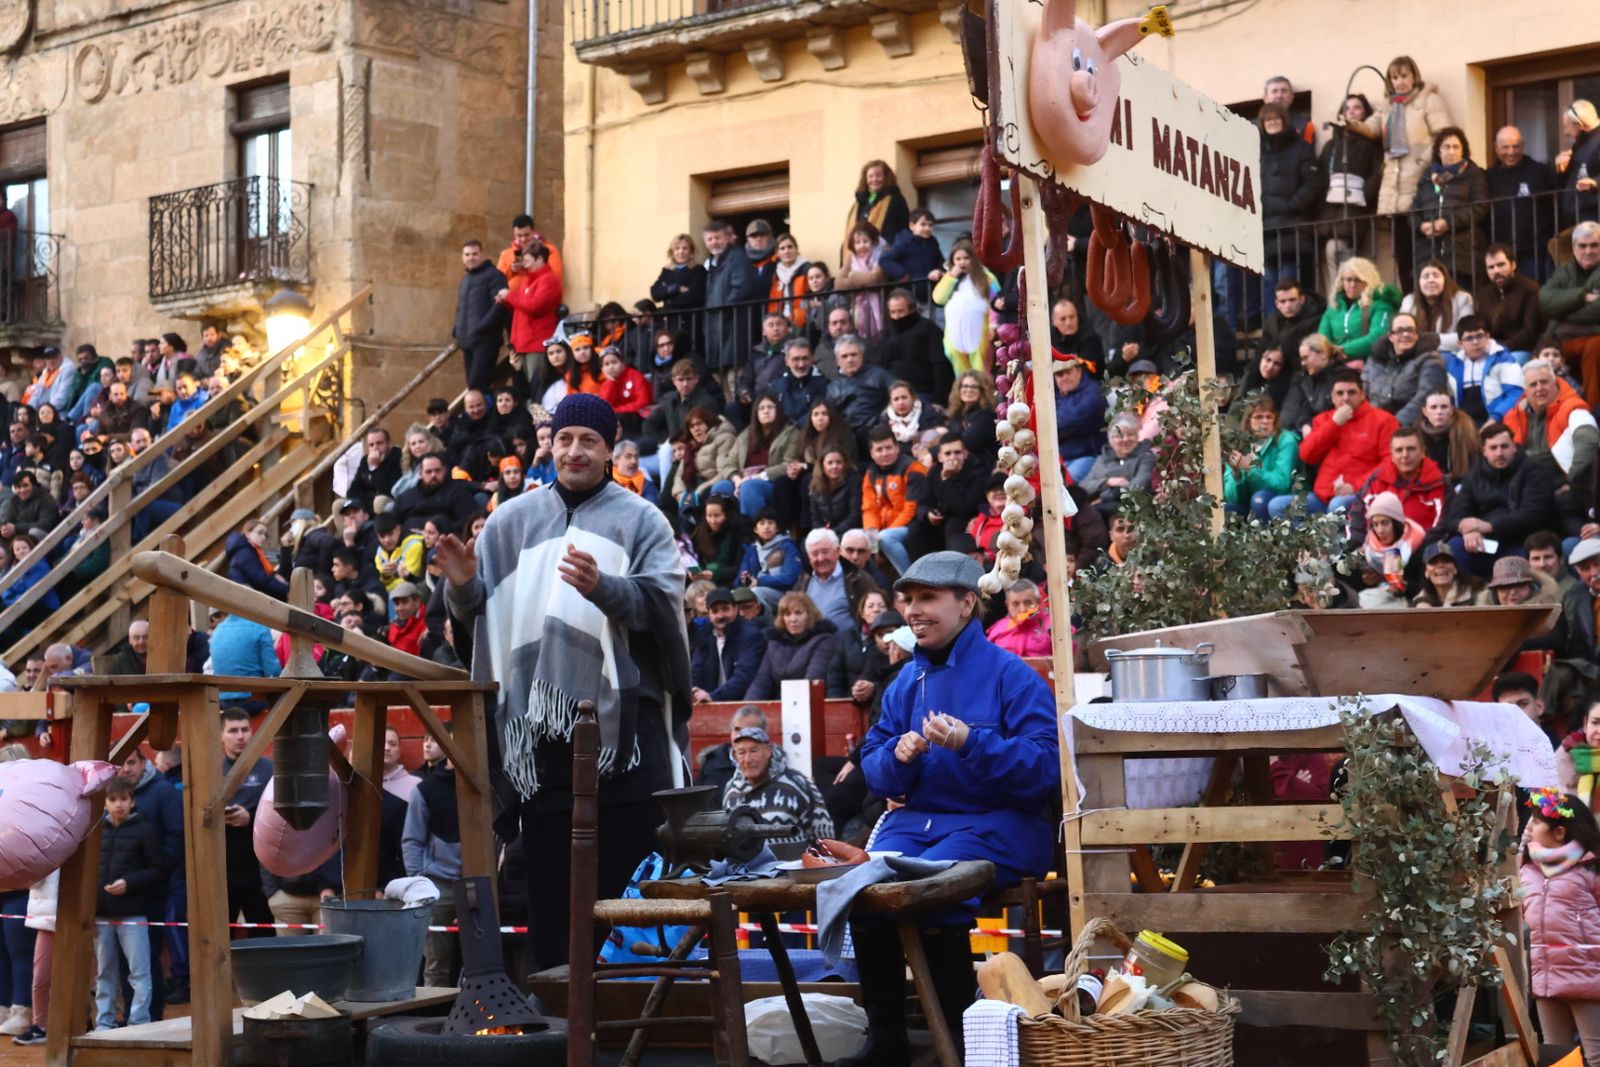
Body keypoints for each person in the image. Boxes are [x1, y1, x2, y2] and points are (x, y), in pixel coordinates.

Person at [438, 393, 692, 973]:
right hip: (540, 744)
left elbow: (663, 607)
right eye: (564, 439)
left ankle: (636, 1004)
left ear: (609, 450)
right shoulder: (509, 522)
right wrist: (461, 588)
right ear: (549, 445)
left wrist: (606, 588)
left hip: (625, 740)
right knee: (552, 898)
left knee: (631, 890)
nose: (575, 451)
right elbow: (483, 621)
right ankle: (558, 1012)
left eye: (589, 441)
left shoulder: (642, 519)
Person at [847, 552, 1059, 1065]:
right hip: (920, 824)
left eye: (928, 598)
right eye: (909, 599)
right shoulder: (905, 682)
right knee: (861, 887)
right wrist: (896, 758)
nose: (913, 610)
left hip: (1002, 825)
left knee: (931, 887)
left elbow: (1046, 769)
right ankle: (888, 1041)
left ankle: (964, 1046)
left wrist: (972, 743)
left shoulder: (1013, 676)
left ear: (966, 604)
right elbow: (874, 766)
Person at [1350, 55, 1453, 285]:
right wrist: (1350, 124)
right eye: (1395, 77)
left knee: (1423, 251)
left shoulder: (1429, 100)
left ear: (1414, 76)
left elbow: (1442, 135)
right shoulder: (1387, 105)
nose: (1400, 82)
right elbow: (1370, 128)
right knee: (1402, 253)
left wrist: (1422, 161)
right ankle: (1409, 296)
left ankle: (1425, 294)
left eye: (1404, 76)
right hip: (1394, 188)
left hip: (1419, 182)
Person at [1519, 789, 1600, 1063]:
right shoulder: (1527, 870)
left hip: (1589, 978)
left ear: (1560, 832)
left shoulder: (1591, 867)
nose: (1530, 826)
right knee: (1557, 1057)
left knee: (1596, 1056)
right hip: (1546, 978)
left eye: (1536, 821)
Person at [1428, 422, 1556, 577]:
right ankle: (1468, 591)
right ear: (1484, 451)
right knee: (1454, 547)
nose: (1499, 453)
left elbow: (1533, 515)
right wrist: (1466, 529)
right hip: (1484, 544)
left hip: (1522, 543)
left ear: (1514, 447)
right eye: (1493, 448)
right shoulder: (1473, 475)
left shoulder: (1534, 471)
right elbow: (1454, 516)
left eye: (1504, 446)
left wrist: (1489, 526)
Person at [93, 776, 161, 1032]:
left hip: (133, 913)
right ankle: (104, 1022)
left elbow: (158, 869)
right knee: (104, 972)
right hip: (101, 914)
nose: (119, 804)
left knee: (139, 972)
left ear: (132, 801)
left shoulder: (145, 830)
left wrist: (129, 883)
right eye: (113, 800)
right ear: (105, 803)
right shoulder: (96, 831)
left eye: (123, 799)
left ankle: (139, 1021)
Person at [1289, 370, 1399, 516]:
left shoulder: (1384, 420)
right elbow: (1307, 455)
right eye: (1340, 393)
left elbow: (1390, 463)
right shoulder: (1324, 420)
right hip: (1323, 495)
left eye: (1351, 392)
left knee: (1337, 506)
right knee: (1277, 506)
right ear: (1332, 397)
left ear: (1362, 395)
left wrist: (1356, 486)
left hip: (1361, 493)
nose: (1345, 398)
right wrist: (1334, 424)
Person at [721, 725, 833, 849]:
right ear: (735, 756)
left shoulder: (798, 783)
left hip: (796, 862)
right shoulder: (731, 790)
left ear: (768, 751)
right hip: (747, 862)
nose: (747, 759)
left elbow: (824, 837)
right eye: (741, 753)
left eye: (753, 751)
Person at [1504, 357, 1599, 501]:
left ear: (1555, 383)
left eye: (1544, 382)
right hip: (1523, 490)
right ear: (1525, 391)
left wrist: (1573, 483)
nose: (1539, 388)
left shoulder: (1572, 408)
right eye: (1533, 384)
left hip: (1563, 490)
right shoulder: (1512, 417)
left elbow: (1589, 441)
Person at [1317, 93, 1386, 281]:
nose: (1352, 112)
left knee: (1344, 256)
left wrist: (1360, 194)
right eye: (1347, 108)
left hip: (1357, 211)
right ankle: (1338, 296)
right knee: (1335, 256)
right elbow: (1321, 177)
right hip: (1331, 213)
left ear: (1365, 113)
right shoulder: (1331, 146)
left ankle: (1341, 296)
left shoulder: (1372, 146)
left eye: (1357, 107)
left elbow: (1378, 174)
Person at [1410, 127, 1489, 289]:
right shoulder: (1427, 177)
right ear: (1438, 151)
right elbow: (1414, 210)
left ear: (1463, 151)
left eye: (1456, 147)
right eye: (1446, 147)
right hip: (1428, 254)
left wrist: (1448, 223)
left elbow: (1480, 207)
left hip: (1461, 255)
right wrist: (1421, 226)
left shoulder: (1473, 174)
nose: (1451, 152)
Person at [1257, 102, 1322, 296]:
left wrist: (1293, 205)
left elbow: (1313, 181)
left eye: (1276, 118)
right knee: (1269, 285)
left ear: (1284, 121)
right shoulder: (1257, 151)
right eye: (1268, 119)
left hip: (1292, 228)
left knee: (1290, 283)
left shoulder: (1301, 147)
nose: (1272, 122)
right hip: (1265, 229)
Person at [1487, 127, 1559, 282]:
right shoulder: (1489, 177)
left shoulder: (1540, 171)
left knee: (1534, 291)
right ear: (1496, 148)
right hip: (1501, 253)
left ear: (1523, 146)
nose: (1511, 152)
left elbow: (1554, 206)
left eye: (1516, 146)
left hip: (1535, 250)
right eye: (1505, 147)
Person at [1540, 222, 1600, 406]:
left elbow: (1597, 309)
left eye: (1594, 245)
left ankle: (1593, 409)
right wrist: (1582, 296)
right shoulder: (1565, 271)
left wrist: (1562, 310)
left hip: (1594, 336)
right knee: (1542, 356)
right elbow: (1545, 300)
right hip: (1561, 339)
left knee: (1595, 348)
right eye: (1583, 246)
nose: (1588, 251)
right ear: (1574, 248)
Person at [860, 425, 928, 578]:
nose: (885, 453)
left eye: (888, 448)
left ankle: (910, 580)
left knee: (886, 538)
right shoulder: (870, 474)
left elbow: (910, 510)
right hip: (883, 530)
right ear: (872, 453)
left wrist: (880, 537)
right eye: (879, 449)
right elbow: (869, 509)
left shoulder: (913, 469)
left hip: (912, 527)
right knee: (854, 539)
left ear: (897, 448)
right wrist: (873, 542)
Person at [702, 219, 763, 389]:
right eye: (710, 239)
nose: (714, 242)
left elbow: (742, 288)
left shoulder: (737, 258)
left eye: (718, 238)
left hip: (733, 326)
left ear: (728, 238)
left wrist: (723, 309)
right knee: (720, 385)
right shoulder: (711, 264)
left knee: (734, 381)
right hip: (717, 329)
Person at [744, 591, 837, 700]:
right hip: (777, 703)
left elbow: (813, 679)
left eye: (798, 613)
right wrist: (748, 706)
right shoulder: (774, 642)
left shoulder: (824, 641)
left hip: (806, 703)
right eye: (787, 614)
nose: (793, 619)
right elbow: (761, 681)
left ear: (810, 615)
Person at [1224, 396, 1302, 521]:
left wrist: (1250, 469)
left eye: (1269, 417)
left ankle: (1265, 534)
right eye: (1259, 417)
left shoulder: (1286, 440)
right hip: (1249, 503)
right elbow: (1232, 498)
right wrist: (1236, 474)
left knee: (1259, 499)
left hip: (1284, 501)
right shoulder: (1239, 445)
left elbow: (1282, 485)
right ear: (1248, 421)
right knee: (1225, 509)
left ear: (1275, 419)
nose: (1265, 421)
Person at [1362, 311, 1446, 426]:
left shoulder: (1430, 361)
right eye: (1399, 331)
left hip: (1410, 427)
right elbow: (1362, 394)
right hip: (1374, 422)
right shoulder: (1375, 360)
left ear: (1416, 335)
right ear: (1390, 336)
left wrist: (1394, 424)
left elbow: (1424, 398)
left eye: (1410, 330)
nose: (1405, 334)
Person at [931, 238, 998, 377]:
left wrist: (993, 325)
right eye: (958, 259)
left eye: (966, 258)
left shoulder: (986, 277)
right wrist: (951, 276)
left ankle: (983, 389)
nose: (962, 262)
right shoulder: (949, 278)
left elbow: (995, 302)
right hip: (955, 332)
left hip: (979, 331)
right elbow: (938, 298)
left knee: (981, 367)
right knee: (958, 364)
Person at [690, 588, 767, 704]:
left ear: (736, 609)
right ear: (709, 614)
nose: (720, 615)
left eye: (725, 609)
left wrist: (712, 696)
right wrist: (694, 691)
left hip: (743, 703)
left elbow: (744, 677)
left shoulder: (750, 635)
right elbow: (696, 671)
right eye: (715, 611)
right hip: (710, 703)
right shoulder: (705, 636)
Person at [1444, 315, 1525, 423]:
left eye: (1479, 336)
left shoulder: (1503, 359)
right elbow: (1450, 398)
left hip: (1497, 420)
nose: (1475, 342)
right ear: (1460, 344)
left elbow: (1516, 393)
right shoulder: (1454, 364)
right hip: (1463, 422)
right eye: (1469, 338)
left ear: (1488, 337)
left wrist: (1495, 418)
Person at [1354, 491, 1427, 608]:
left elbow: (1427, 585)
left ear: (1396, 523)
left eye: (1385, 523)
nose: (1380, 530)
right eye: (1375, 524)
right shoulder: (1370, 546)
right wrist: (1367, 581)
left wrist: (1404, 586)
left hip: (1413, 599)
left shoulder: (1416, 543)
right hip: (1381, 596)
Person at [1318, 256, 1400, 361]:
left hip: (1370, 363)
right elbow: (1322, 340)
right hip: (1336, 363)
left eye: (1358, 280)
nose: (1352, 285)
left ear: (1369, 281)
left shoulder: (1381, 305)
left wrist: (1342, 350)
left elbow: (1378, 336)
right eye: (1348, 280)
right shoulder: (1333, 309)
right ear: (1342, 282)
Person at [452, 240, 507, 394]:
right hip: (467, 342)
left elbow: (500, 305)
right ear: (462, 257)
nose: (471, 258)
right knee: (473, 387)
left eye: (475, 254)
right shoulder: (465, 280)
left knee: (478, 386)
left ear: (482, 254)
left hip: (485, 342)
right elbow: (460, 308)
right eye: (467, 254)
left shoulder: (494, 275)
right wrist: (456, 331)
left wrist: (482, 328)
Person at [1080, 412, 1155, 519]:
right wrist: (1107, 482)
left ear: (1137, 436)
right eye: (1119, 436)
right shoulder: (1102, 459)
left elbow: (1138, 487)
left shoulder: (1146, 457)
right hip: (1100, 509)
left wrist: (1103, 497)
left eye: (1130, 434)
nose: (1125, 439)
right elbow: (1084, 487)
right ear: (1111, 440)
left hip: (1133, 509)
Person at [1477, 244, 1547, 357]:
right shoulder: (1485, 294)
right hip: (1492, 349)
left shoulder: (1530, 289)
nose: (1496, 271)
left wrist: (1501, 347)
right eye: (1491, 267)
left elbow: (1530, 331)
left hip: (1522, 349)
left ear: (1513, 265)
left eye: (1501, 265)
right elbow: (1482, 328)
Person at [1400, 260, 1476, 351]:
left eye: (1436, 276)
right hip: (1417, 354)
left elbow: (1466, 336)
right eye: (1425, 276)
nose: (1431, 280)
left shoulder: (1462, 299)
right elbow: (1401, 333)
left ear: (1445, 280)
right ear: (1418, 282)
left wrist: (1432, 340)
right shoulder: (1409, 301)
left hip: (1451, 353)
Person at [1279, 333, 1347, 434]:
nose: (1302, 363)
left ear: (1323, 354)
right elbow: (1304, 409)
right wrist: (1304, 424)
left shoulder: (1343, 377)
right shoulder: (1305, 379)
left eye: (1305, 358)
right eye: (1301, 359)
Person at [843, 159, 910, 259]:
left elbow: (904, 229)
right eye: (870, 176)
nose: (874, 179)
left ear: (886, 177)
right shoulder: (859, 203)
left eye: (878, 175)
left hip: (885, 257)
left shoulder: (896, 200)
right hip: (858, 260)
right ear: (865, 179)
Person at [650, 234, 707, 349]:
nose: (681, 252)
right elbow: (655, 293)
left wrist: (668, 298)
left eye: (685, 248)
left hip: (690, 322)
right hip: (670, 322)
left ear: (691, 251)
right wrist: (676, 288)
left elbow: (695, 296)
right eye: (677, 248)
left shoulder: (698, 270)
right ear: (672, 252)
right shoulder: (667, 271)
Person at [1557, 101, 1600, 232]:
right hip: (1574, 222)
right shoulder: (1579, 145)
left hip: (1592, 224)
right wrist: (1561, 170)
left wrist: (1596, 182)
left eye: (1566, 126)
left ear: (1579, 125)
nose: (1565, 132)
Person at [985, 579, 1051, 657]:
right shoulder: (997, 630)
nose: (1022, 609)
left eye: (1028, 603)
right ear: (1007, 605)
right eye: (1015, 604)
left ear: (1038, 602)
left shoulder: (1054, 627)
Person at [1412, 541, 1483, 606]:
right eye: (1433, 562)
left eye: (1446, 561)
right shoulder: (1419, 601)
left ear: (1455, 569)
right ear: (1426, 572)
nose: (1440, 565)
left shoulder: (1479, 593)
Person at [381, 725, 420, 801]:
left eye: (392, 744)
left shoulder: (415, 785)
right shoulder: (362, 784)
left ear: (399, 751)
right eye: (382, 743)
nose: (387, 748)